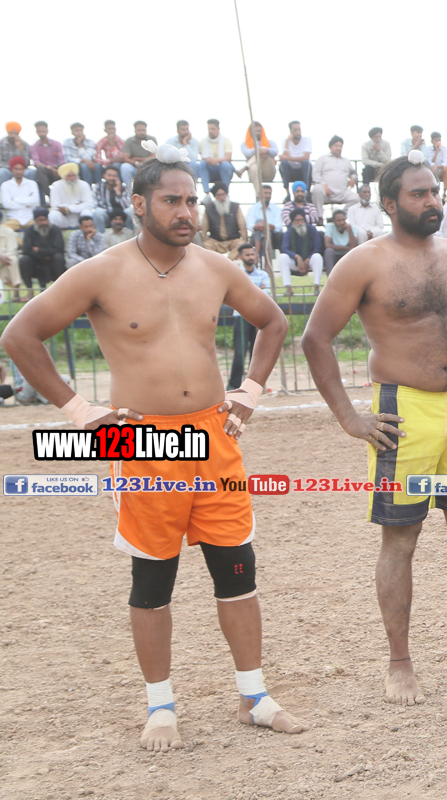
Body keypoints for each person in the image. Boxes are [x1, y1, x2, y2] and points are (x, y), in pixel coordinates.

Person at [0, 151, 305, 750]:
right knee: (153, 578)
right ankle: (160, 706)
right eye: (171, 201)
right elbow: (19, 335)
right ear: (139, 204)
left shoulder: (215, 267)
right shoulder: (100, 272)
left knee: (237, 570)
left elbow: (272, 322)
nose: (186, 211)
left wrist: (249, 391)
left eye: (191, 200)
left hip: (215, 437)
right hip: (143, 441)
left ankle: (254, 696)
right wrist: (81, 413)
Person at [300, 152, 447, 704]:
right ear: (390, 204)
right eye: (418, 194)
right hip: (403, 414)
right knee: (401, 537)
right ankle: (400, 663)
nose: (432, 201)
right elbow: (315, 338)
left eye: (434, 191)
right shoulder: (362, 264)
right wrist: (349, 417)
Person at [228, 243, 272, 389]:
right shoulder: (236, 273)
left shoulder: (263, 274)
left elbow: (267, 294)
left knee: (257, 354)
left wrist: (247, 293)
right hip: (241, 317)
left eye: (252, 254)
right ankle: (233, 387)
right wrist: (257, 291)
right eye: (247, 255)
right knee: (239, 354)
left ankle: (254, 387)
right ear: (241, 257)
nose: (251, 257)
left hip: (259, 318)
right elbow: (235, 295)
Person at [279, 208, 325, 295]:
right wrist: (297, 257)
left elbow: (318, 247)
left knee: (317, 257)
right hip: (295, 262)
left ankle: (316, 288)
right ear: (293, 222)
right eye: (297, 220)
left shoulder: (311, 229)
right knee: (282, 257)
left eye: (302, 220)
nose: (300, 223)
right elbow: (284, 249)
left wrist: (308, 259)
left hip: (310, 262)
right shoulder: (289, 232)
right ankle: (289, 289)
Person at [312, 137, 358, 220]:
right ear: (330, 147)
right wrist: (324, 185)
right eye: (336, 145)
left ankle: (339, 217)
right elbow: (315, 173)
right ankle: (319, 217)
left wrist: (353, 178)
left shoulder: (346, 161)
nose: (338, 148)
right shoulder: (323, 159)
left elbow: (354, 173)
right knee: (317, 189)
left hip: (342, 192)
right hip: (326, 193)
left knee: (356, 198)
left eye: (340, 146)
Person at [20, 208, 66, 286]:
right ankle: (29, 289)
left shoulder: (55, 229)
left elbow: (59, 249)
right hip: (35, 261)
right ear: (35, 220)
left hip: (52, 260)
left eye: (45, 219)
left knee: (58, 257)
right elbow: (26, 250)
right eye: (40, 220)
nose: (43, 222)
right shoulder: (29, 230)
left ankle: (61, 287)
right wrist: (44, 256)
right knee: (24, 260)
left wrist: (39, 250)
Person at [199, 183, 247, 258]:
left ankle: (228, 261)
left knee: (241, 244)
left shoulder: (235, 206)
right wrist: (204, 239)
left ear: (226, 194)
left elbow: (242, 225)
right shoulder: (209, 207)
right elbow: (204, 226)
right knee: (206, 244)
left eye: (223, 194)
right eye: (218, 195)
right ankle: (217, 262)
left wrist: (245, 241)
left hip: (233, 240)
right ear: (214, 196)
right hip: (215, 241)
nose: (221, 197)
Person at [48, 162, 96, 230]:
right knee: (53, 215)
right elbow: (55, 205)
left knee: (87, 212)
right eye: (69, 176)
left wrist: (69, 209)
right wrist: (78, 205)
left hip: (80, 217)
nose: (72, 178)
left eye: (73, 175)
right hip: (64, 218)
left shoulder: (84, 184)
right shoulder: (56, 185)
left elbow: (89, 204)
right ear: (64, 177)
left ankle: (88, 232)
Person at [30, 121, 66, 204]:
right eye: (39, 131)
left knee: (63, 168)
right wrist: (49, 167)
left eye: (43, 131)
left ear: (47, 131)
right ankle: (50, 196)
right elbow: (36, 162)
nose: (42, 133)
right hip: (45, 170)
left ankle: (62, 199)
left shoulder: (57, 144)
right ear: (36, 132)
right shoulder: (34, 147)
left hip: (57, 169)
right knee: (39, 169)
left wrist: (55, 168)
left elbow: (61, 160)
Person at [245, 184, 284, 260]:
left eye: (269, 193)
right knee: (259, 225)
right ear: (259, 194)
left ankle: (256, 253)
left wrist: (270, 226)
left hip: (272, 236)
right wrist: (257, 226)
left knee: (265, 231)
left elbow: (279, 226)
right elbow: (249, 225)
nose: (268, 195)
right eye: (265, 193)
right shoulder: (252, 209)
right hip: (256, 236)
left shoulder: (277, 209)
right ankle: (267, 261)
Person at [2, 158, 42, 230]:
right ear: (11, 169)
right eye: (16, 169)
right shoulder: (5, 185)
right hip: (13, 219)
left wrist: (15, 199)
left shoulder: (32, 184)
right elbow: (6, 204)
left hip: (30, 218)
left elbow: (36, 202)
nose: (18, 171)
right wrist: (27, 203)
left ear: (24, 169)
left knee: (40, 229)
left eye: (21, 169)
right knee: (2, 231)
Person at [92, 165, 133, 232]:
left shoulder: (123, 188)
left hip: (121, 216)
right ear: (104, 176)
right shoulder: (98, 187)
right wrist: (112, 215)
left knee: (130, 211)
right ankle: (101, 236)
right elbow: (96, 205)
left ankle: (130, 234)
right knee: (98, 212)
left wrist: (118, 192)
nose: (111, 178)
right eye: (109, 175)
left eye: (114, 176)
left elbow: (127, 206)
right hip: (106, 215)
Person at [279, 121, 313, 199]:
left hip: (303, 171)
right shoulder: (285, 141)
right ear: (290, 131)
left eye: (299, 129)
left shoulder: (306, 139)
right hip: (291, 171)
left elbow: (306, 158)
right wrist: (288, 141)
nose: (298, 132)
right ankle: (287, 194)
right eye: (295, 130)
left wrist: (287, 158)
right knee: (283, 164)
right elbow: (284, 158)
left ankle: (307, 192)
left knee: (306, 163)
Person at [239, 122, 277, 186]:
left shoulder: (270, 142)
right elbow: (246, 153)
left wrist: (266, 150)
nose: (257, 133)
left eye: (259, 131)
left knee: (263, 154)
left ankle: (245, 167)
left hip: (268, 171)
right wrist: (257, 150)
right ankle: (258, 192)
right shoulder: (244, 144)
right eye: (255, 131)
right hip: (255, 173)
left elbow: (275, 152)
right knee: (253, 167)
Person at [323, 208, 361, 272]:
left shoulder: (352, 228)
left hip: (346, 255)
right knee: (329, 251)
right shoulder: (330, 226)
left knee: (352, 251)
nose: (342, 222)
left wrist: (349, 230)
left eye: (343, 220)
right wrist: (347, 247)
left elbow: (353, 246)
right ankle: (330, 277)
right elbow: (327, 245)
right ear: (334, 221)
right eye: (338, 220)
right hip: (335, 255)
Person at [121, 121, 157, 187]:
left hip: (148, 166)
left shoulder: (152, 139)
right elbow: (126, 158)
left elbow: (154, 156)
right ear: (135, 131)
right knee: (125, 167)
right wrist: (138, 163)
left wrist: (136, 158)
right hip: (134, 166)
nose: (141, 132)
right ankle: (128, 189)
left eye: (143, 130)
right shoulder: (129, 140)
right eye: (139, 130)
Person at [0, 223, 20, 301]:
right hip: (2, 258)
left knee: (13, 260)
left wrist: (3, 257)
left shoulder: (9, 232)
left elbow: (12, 250)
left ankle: (16, 294)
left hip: (6, 258)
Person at [429, 132, 447, 196]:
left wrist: (438, 166)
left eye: (439, 140)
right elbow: (431, 163)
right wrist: (436, 151)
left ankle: (445, 191)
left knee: (446, 168)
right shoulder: (428, 149)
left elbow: (446, 162)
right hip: (433, 169)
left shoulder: (444, 148)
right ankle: (434, 191)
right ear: (432, 141)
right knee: (433, 169)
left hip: (441, 169)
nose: (438, 142)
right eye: (436, 140)